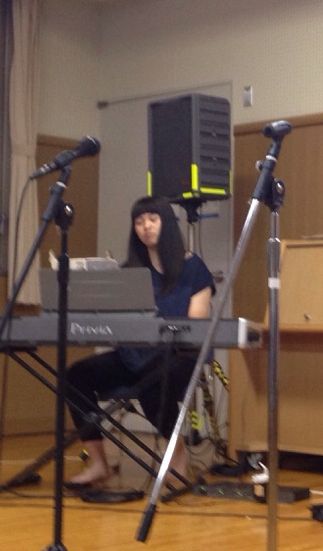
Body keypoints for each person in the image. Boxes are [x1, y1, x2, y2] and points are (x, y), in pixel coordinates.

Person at [64, 196, 215, 488]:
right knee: (75, 376)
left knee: (152, 382)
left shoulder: (193, 267)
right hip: (134, 355)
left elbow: (195, 324)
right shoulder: (128, 272)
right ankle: (99, 464)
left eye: (152, 219)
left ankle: (178, 454)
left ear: (166, 223)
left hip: (180, 356)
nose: (146, 226)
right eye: (139, 221)